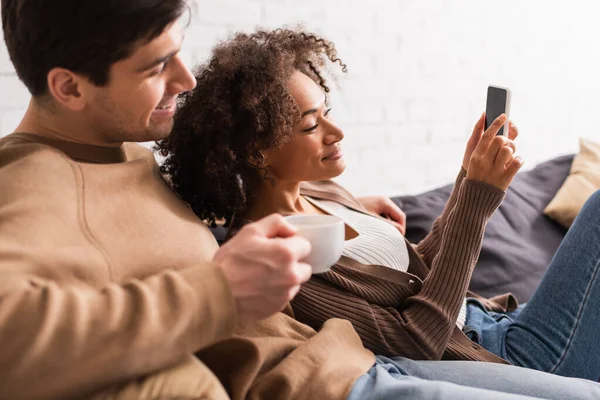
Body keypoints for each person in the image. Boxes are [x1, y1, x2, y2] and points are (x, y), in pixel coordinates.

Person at [1, 3, 598, 398]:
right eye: (158, 66)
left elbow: (202, 204)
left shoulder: (127, 149)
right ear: (69, 87)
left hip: (371, 354)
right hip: (350, 376)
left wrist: (334, 209)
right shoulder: (28, 183)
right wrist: (218, 291)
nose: (185, 80)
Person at [157, 26, 600, 386]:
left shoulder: (323, 193)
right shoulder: (282, 256)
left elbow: (416, 275)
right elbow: (417, 337)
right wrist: (476, 203)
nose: (336, 132)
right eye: (312, 125)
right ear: (256, 153)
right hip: (500, 354)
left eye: (326, 110)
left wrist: (468, 178)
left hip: (495, 318)